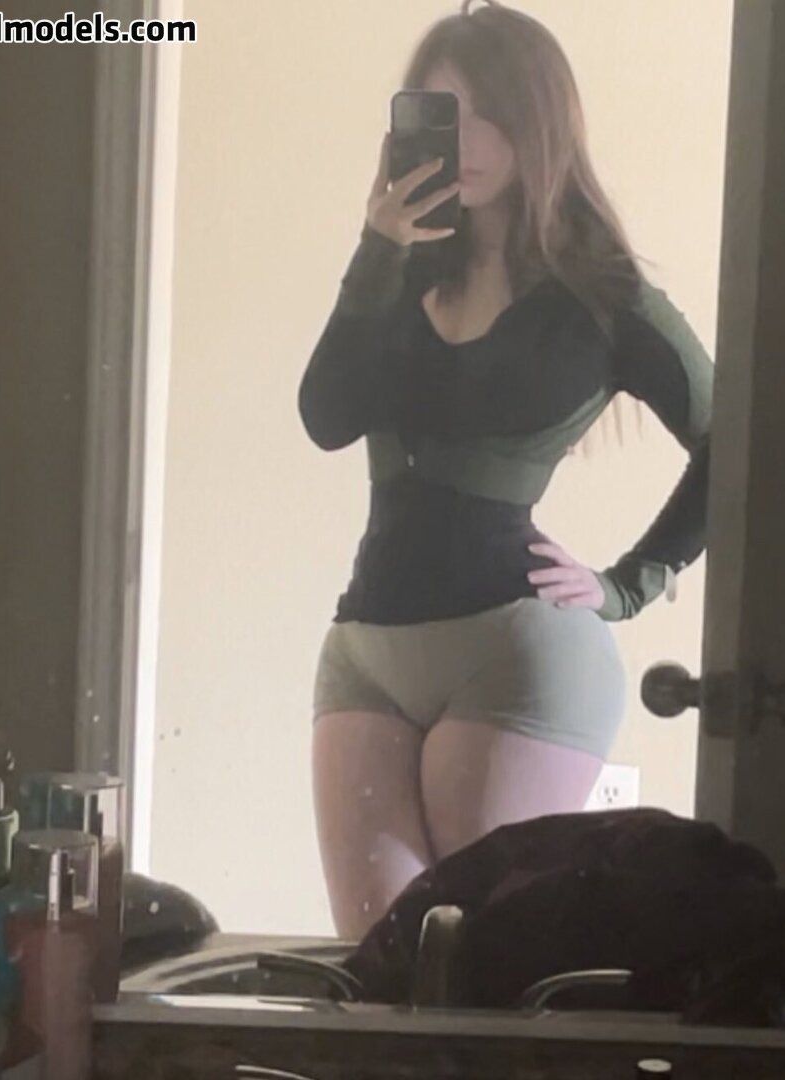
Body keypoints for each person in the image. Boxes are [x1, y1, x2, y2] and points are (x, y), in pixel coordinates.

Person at [298, 0, 714, 939]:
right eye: (448, 115)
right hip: (365, 650)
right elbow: (326, 418)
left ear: (541, 123)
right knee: (381, 963)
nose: (472, 141)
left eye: (494, 115)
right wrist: (378, 248)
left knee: (490, 961)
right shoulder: (400, 269)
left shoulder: (604, 296)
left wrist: (628, 585)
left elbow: (737, 447)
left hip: (518, 658)